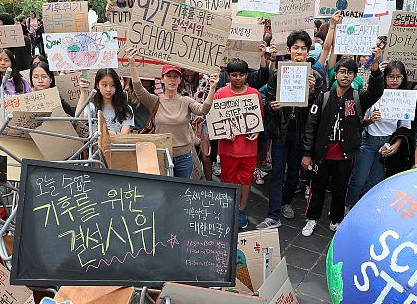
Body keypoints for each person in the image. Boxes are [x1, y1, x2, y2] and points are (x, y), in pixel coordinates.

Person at [301, 53, 385, 236]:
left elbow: (377, 91)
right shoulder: (322, 98)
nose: (345, 76)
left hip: (345, 155)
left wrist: (376, 66)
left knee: (340, 189)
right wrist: (307, 153)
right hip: (322, 155)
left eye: (350, 73)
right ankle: (312, 219)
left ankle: (336, 219)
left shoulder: (358, 98)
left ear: (355, 76)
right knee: (317, 189)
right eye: (342, 72)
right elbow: (310, 127)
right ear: (335, 75)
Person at [256, 30, 324, 229]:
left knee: (294, 172)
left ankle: (286, 202)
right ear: (289, 50)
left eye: (303, 48)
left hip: (301, 133)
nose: (299, 51)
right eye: (296, 48)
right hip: (280, 132)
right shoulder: (278, 74)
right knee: (277, 172)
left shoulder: (316, 77)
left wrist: (312, 92)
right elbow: (268, 101)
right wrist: (272, 107)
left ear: (308, 51)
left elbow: (317, 109)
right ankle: (273, 214)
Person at [127, 48, 219, 178]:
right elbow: (138, 90)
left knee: (181, 192)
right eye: (168, 76)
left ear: (180, 80)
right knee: (164, 191)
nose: (172, 80)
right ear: (162, 79)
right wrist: (132, 64)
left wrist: (213, 87)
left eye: (175, 76)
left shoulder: (186, 101)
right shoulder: (154, 101)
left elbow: (203, 109)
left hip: (184, 157)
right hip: (161, 154)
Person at [345, 60, 411, 212]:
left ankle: (368, 208)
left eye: (398, 77)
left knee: (376, 181)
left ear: (403, 78)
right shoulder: (375, 94)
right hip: (368, 141)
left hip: (387, 143)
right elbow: (360, 121)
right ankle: (349, 208)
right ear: (385, 77)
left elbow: (405, 127)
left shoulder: (405, 98)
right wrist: (370, 120)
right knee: (358, 179)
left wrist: (396, 145)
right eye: (391, 76)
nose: (394, 80)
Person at [215, 59, 264, 229]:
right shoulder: (220, 93)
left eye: (241, 75)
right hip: (228, 149)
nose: (238, 78)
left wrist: (256, 130)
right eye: (234, 75)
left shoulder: (255, 94)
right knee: (228, 181)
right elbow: (216, 121)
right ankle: (228, 209)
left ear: (247, 75)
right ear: (227, 75)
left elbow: (259, 119)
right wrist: (223, 132)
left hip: (249, 149)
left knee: (246, 181)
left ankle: (241, 210)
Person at [83, 68, 133, 134]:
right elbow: (80, 120)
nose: (108, 89)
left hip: (117, 144)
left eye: (112, 85)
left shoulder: (126, 109)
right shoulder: (92, 107)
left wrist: (107, 133)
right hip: (96, 144)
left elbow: (123, 136)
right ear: (98, 85)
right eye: (104, 85)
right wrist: (83, 91)